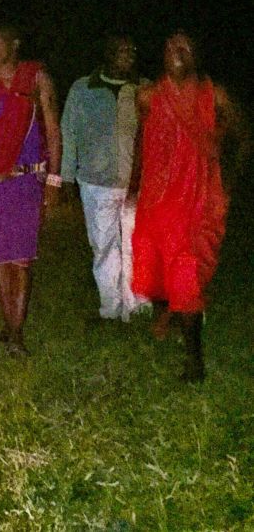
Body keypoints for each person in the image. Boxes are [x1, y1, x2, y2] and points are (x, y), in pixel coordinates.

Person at [130, 31, 245, 382]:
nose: (176, 53)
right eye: (169, 47)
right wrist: (135, 184)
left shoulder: (215, 95)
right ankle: (172, 314)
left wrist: (229, 181)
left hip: (196, 203)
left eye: (185, 48)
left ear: (197, 55)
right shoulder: (148, 96)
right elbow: (142, 139)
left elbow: (243, 136)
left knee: (186, 279)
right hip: (157, 201)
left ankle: (194, 361)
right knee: (153, 278)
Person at [0, 25, 61, 356]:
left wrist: (54, 179)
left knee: (21, 259)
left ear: (15, 44)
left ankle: (17, 333)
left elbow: (52, 129)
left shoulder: (37, 79)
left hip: (25, 180)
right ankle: (10, 322)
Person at [61, 35, 150, 325]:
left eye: (132, 50)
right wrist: (65, 177)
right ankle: (111, 307)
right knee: (103, 246)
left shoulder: (145, 89)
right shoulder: (83, 88)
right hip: (95, 181)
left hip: (137, 181)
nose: (128, 55)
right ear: (107, 55)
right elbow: (69, 132)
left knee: (137, 244)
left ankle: (137, 307)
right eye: (121, 51)